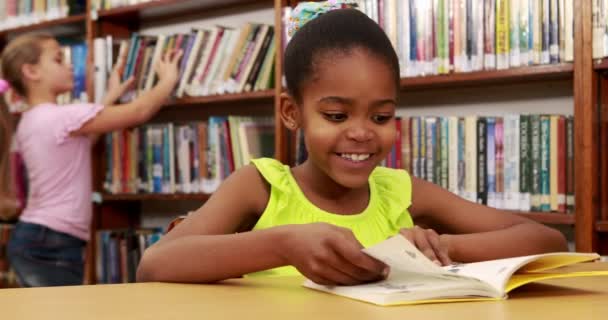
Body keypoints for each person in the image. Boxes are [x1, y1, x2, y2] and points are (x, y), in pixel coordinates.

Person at [136, 3, 567, 286]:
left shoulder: (400, 191)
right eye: (336, 116)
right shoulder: (262, 186)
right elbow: (154, 265)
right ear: (292, 112)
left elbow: (545, 240)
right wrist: (283, 245)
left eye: (381, 117)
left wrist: (446, 248)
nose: (362, 132)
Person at [0, 32, 182, 287]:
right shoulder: (61, 117)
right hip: (51, 240)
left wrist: (109, 98)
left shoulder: (32, 119)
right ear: (31, 71)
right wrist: (168, 80)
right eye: (59, 59)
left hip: (40, 237)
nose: (70, 65)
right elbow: (138, 112)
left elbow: (83, 142)